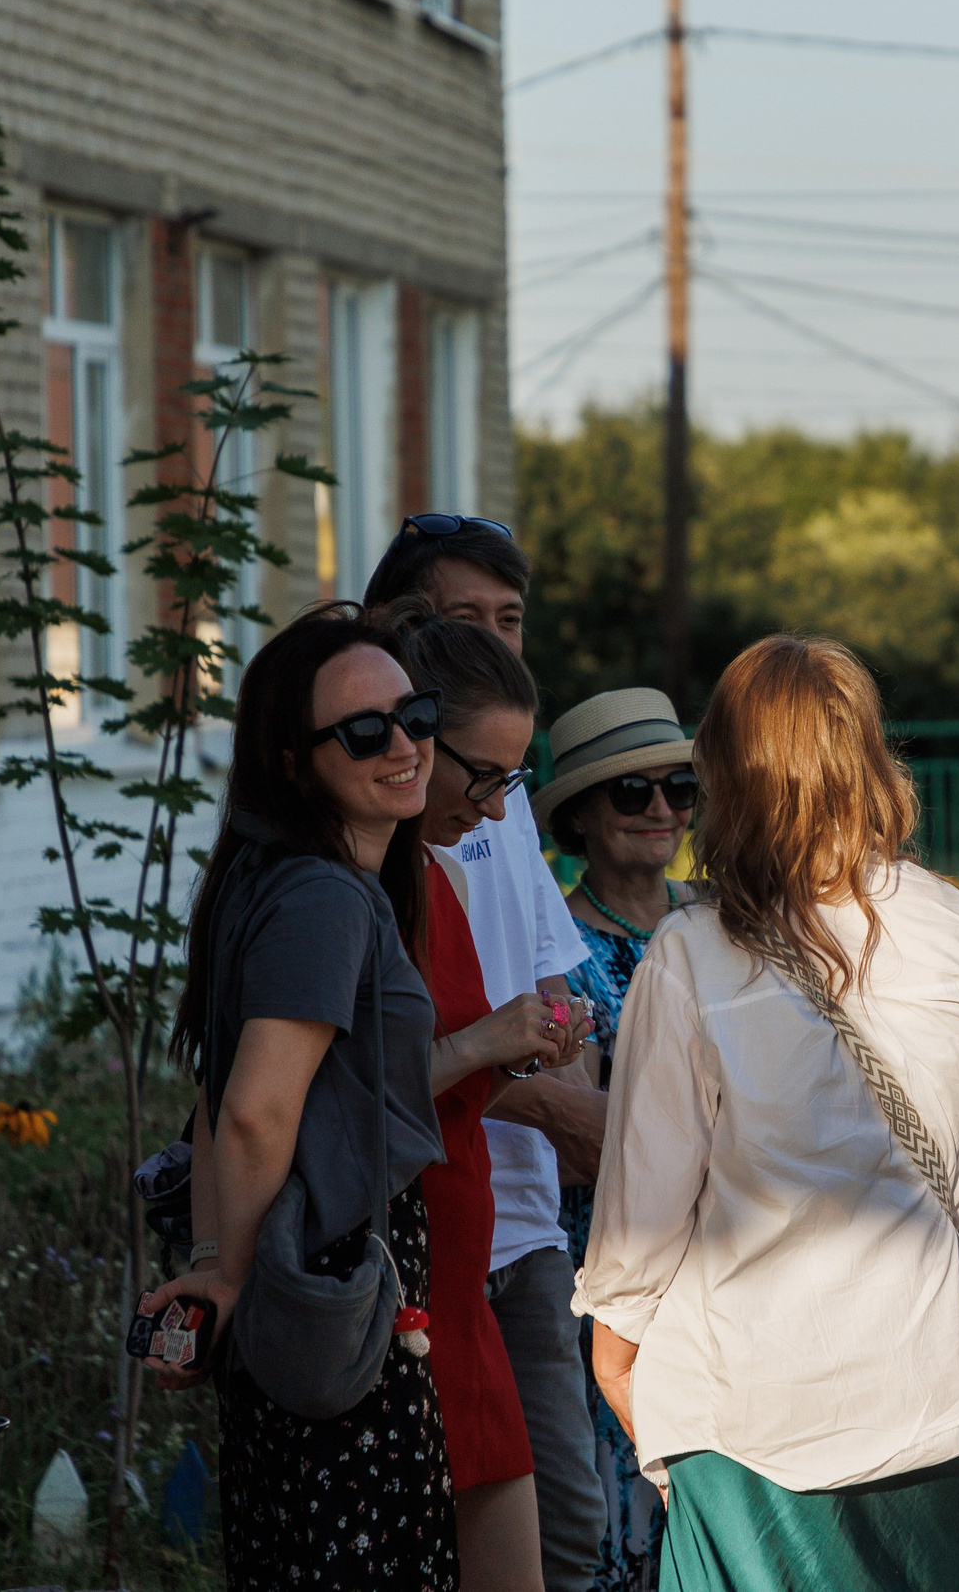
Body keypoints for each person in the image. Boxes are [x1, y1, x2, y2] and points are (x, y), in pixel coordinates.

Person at [576, 634, 959, 1592]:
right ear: (870, 758)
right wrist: (950, 1323)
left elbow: (645, 1212)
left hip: (748, 1405)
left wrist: (616, 1361)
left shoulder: (692, 953)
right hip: (925, 1391)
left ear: (727, 778)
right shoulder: (953, 922)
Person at [123, 605, 456, 1588]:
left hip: (297, 1297)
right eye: (363, 731)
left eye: (416, 714)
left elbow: (217, 1097)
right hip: (330, 1299)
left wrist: (217, 1271)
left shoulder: (267, 879)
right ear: (293, 759)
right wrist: (223, 1275)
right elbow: (255, 1109)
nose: (404, 744)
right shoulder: (323, 896)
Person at [364, 515, 607, 1592]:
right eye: (466, 622)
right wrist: (525, 1075)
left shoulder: (476, 815)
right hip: (408, 1252)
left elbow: (549, 990)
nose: (493, 641)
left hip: (502, 1229)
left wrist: (559, 1072)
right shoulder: (369, 873)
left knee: (557, 1524)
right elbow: (339, 1091)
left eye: (510, 620)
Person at [535, 687, 702, 1591]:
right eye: (633, 792)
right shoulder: (558, 944)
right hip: (617, 1264)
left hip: (732, 1261)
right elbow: (587, 1138)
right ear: (583, 815)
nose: (664, 811)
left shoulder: (723, 915)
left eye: (680, 790)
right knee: (627, 1502)